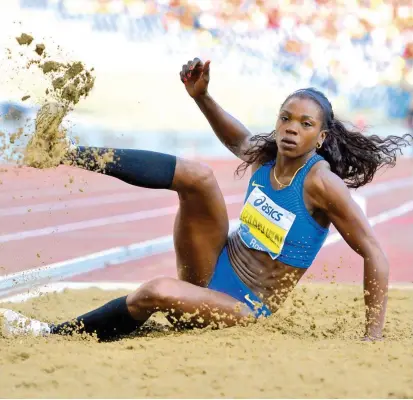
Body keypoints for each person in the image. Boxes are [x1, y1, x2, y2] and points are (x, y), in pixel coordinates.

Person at [1, 58, 412, 342]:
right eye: (285, 118)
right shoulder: (267, 155)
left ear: (320, 137)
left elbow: (374, 252)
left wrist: (371, 334)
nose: (290, 129)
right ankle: (67, 153)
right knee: (198, 176)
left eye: (305, 124)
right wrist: (201, 97)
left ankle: (57, 334)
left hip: (242, 305)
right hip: (211, 266)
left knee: (155, 290)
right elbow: (236, 137)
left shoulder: (322, 184)